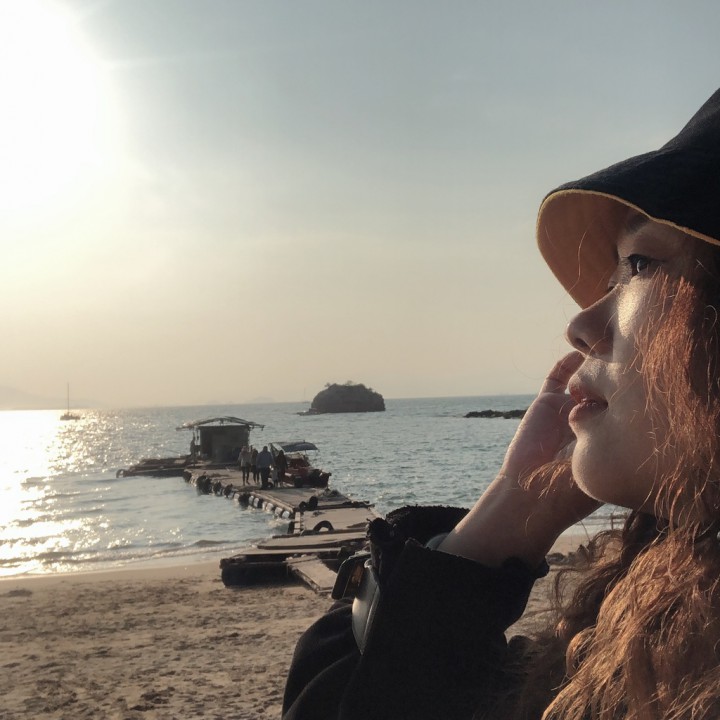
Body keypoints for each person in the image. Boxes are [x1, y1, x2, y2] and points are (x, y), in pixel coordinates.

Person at [282, 88, 720, 720]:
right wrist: (518, 504)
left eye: (640, 264)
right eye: (612, 276)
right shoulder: (661, 615)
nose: (581, 326)